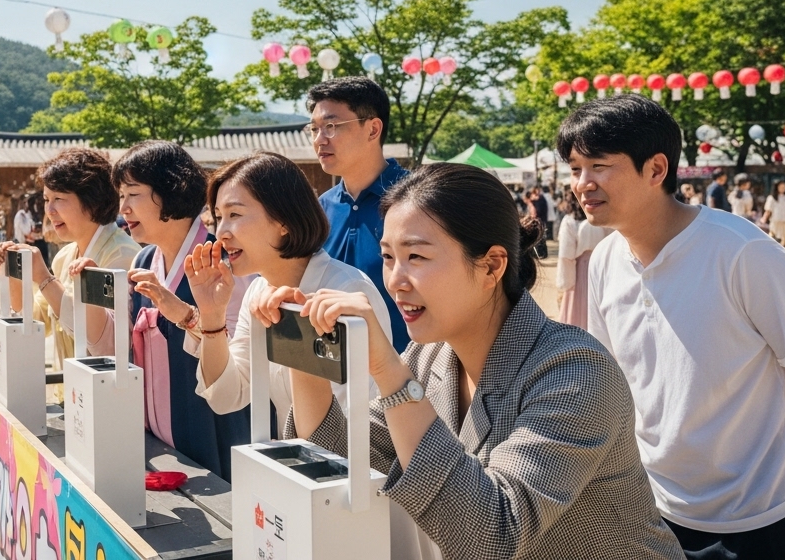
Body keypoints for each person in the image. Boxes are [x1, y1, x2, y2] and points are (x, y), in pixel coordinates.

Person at [264, 163, 680, 559]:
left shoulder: (575, 371)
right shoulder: (431, 355)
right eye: (389, 257)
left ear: (492, 265)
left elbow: (493, 535)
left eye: (418, 257)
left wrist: (389, 372)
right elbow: (346, 456)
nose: (394, 280)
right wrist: (302, 349)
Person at [559, 95, 785, 558]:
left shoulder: (742, 253)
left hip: (766, 514)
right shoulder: (605, 260)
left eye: (598, 166)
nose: (582, 183)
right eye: (575, 168)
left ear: (657, 170)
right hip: (656, 507)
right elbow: (614, 383)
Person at [0, 141, 251, 480]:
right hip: (154, 435)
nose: (124, 208)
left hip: (214, 432)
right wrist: (90, 292)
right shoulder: (144, 260)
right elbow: (109, 348)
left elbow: (240, 361)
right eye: (121, 196)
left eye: (133, 194)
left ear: (171, 190)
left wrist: (187, 314)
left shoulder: (223, 265)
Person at [187, 152, 394, 428]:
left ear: (283, 221)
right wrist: (212, 317)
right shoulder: (258, 290)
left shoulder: (346, 291)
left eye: (234, 214)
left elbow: (352, 424)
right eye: (218, 217)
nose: (222, 232)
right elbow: (226, 397)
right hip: (293, 465)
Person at [305, 77, 410, 352]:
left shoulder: (418, 200)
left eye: (331, 126)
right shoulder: (318, 211)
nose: (319, 140)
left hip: (410, 374)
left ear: (373, 129)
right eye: (314, 129)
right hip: (336, 378)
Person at [15, 149, 140, 370]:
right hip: (72, 394)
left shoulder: (122, 256)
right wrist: (14, 275)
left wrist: (44, 278)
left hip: (104, 395)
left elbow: (103, 343)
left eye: (58, 199)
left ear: (92, 201)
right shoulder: (64, 256)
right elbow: (36, 323)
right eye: (46, 199)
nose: (50, 210)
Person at [555, 193, 611, 329]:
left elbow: (566, 255)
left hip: (579, 269)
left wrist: (564, 283)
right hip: (601, 266)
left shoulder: (569, 221)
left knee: (577, 308)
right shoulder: (602, 218)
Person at [763, 180, 785, 248]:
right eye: (781, 187)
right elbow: (768, 210)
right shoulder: (771, 198)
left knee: (784, 242)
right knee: (774, 240)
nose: (783, 188)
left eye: (784, 187)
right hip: (775, 222)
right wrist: (764, 219)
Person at [524, 185, 551, 258]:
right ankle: (541, 253)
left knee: (541, 237)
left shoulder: (540, 199)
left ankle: (541, 253)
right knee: (540, 237)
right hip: (539, 220)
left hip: (539, 220)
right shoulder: (538, 199)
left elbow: (536, 212)